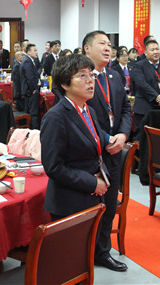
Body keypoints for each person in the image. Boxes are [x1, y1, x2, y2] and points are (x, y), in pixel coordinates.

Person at [40, 53, 110, 228]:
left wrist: (103, 180)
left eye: (91, 74)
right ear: (64, 84)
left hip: (92, 194)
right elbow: (54, 167)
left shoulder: (89, 111)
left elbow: (96, 150)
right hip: (69, 200)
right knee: (73, 254)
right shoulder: (56, 117)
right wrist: (93, 183)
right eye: (82, 75)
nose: (90, 80)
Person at [84, 30, 132, 272]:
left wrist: (122, 135)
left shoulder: (114, 76)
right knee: (90, 206)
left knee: (110, 206)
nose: (107, 48)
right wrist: (105, 139)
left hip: (114, 151)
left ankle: (102, 252)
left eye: (109, 44)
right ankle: (83, 251)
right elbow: (78, 116)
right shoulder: (79, 78)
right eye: (101, 43)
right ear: (87, 49)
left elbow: (125, 109)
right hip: (90, 153)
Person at [130, 40, 160, 127]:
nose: (155, 52)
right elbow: (141, 84)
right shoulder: (139, 66)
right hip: (145, 107)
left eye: (157, 49)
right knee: (142, 136)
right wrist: (156, 97)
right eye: (152, 50)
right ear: (146, 53)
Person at [21, 43, 41, 129]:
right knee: (33, 113)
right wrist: (34, 89)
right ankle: (34, 133)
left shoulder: (29, 61)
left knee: (31, 112)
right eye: (35, 50)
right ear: (28, 52)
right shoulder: (27, 61)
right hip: (30, 91)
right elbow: (30, 77)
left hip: (29, 90)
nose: (37, 52)